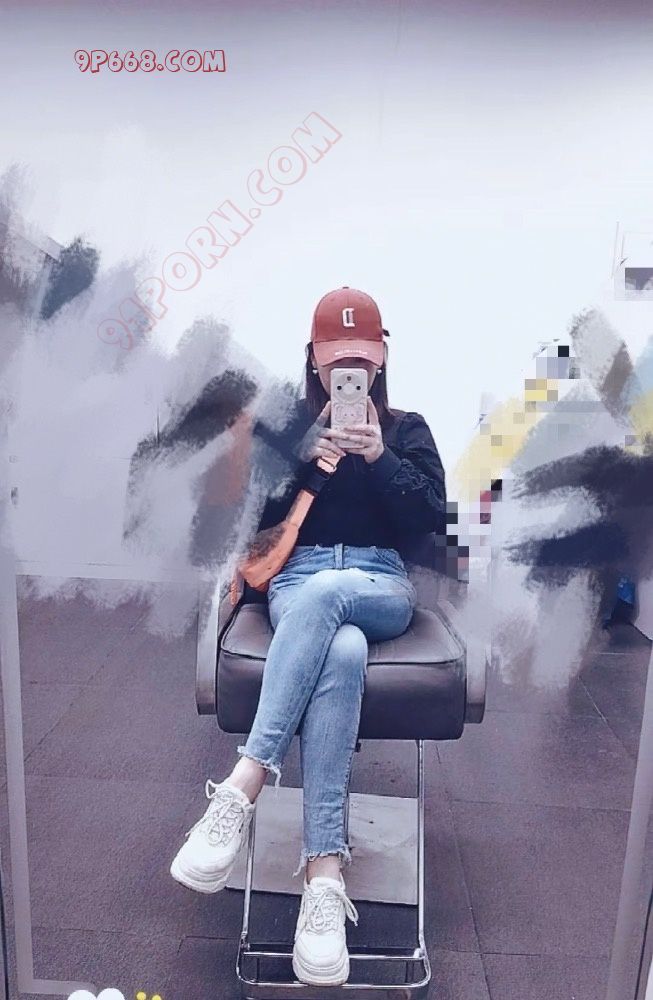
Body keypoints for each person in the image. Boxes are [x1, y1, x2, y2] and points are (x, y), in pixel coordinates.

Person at [169, 286, 447, 987]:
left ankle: (244, 783)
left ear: (380, 361)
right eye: (336, 362)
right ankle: (324, 877)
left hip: (380, 582)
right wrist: (301, 458)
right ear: (314, 362)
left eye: (361, 361)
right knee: (342, 648)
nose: (348, 374)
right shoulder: (288, 428)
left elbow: (426, 520)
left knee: (333, 600)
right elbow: (250, 516)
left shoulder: (408, 428)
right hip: (298, 579)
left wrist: (380, 458)